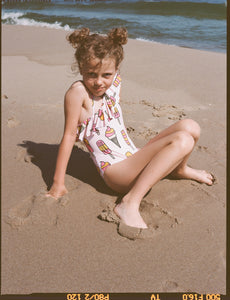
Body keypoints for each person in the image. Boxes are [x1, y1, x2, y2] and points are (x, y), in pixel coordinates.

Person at [46, 27, 214, 229]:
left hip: (132, 157)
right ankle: (129, 203)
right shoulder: (78, 93)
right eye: (91, 74)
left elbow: (110, 115)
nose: (99, 82)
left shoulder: (114, 83)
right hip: (117, 173)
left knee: (191, 126)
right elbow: (69, 136)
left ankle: (179, 169)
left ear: (116, 70)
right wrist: (58, 184)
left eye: (106, 74)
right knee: (183, 140)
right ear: (80, 68)